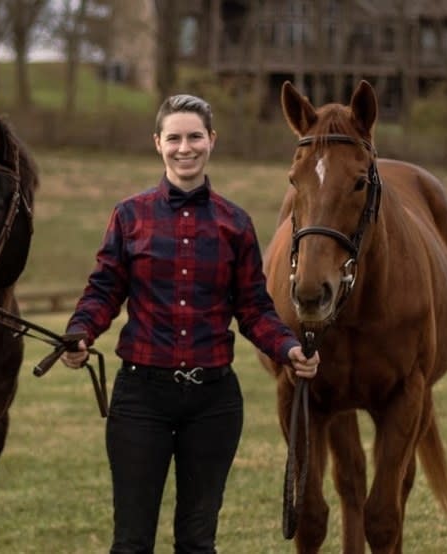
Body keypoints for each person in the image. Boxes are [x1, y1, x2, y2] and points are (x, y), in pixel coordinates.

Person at [61, 94, 320, 554]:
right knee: (132, 542)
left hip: (213, 404)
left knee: (198, 542)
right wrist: (81, 332)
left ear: (211, 141)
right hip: (141, 399)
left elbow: (254, 308)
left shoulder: (235, 224)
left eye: (195, 136)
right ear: (158, 143)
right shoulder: (129, 216)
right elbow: (104, 289)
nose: (186, 147)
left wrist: (287, 348)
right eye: (175, 138)